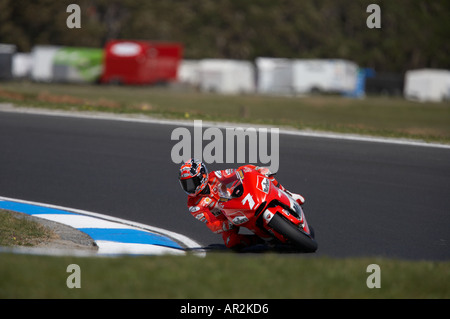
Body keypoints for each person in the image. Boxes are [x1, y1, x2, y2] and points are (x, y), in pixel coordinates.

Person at [178, 158, 306, 251]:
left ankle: (287, 193)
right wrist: (226, 224)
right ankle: (261, 240)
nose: (190, 187)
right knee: (231, 243)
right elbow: (211, 223)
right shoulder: (193, 205)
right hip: (227, 218)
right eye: (186, 184)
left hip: (234, 198)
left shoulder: (214, 176)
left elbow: (236, 173)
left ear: (203, 176)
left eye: (192, 182)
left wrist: (252, 171)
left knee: (253, 170)